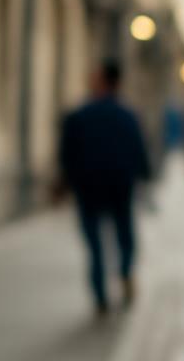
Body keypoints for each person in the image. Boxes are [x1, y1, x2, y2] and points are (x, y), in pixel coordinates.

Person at [57, 60, 150, 316]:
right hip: (120, 185)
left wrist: (65, 182)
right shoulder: (128, 115)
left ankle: (100, 295)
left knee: (95, 244)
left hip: (88, 188)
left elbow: (66, 155)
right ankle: (125, 272)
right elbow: (139, 151)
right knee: (124, 236)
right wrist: (144, 177)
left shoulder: (78, 116)